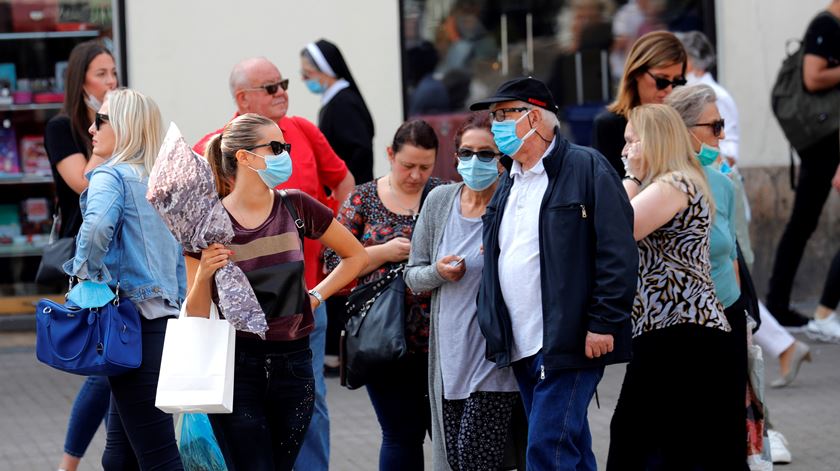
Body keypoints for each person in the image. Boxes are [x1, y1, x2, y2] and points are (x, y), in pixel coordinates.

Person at [193, 56, 355, 471]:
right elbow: (194, 314)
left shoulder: (297, 205)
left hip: (295, 357)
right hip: (238, 362)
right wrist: (206, 274)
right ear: (246, 158)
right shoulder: (208, 224)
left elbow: (355, 253)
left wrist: (317, 294)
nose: (285, 154)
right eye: (277, 148)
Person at [473, 77, 638, 471]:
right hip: (521, 340)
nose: (494, 124)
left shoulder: (587, 167)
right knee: (570, 445)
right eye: (493, 116)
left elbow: (617, 251)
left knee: (547, 449)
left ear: (534, 118)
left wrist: (604, 322)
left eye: (502, 115)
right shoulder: (508, 180)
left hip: (571, 339)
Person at [607, 103, 744, 470]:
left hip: (681, 331)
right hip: (667, 329)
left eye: (632, 141)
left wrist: (632, 178)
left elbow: (617, 231)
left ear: (654, 141)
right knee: (660, 443)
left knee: (635, 440)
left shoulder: (675, 183)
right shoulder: (670, 183)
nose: (625, 151)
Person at [63, 88, 185, 470]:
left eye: (101, 120)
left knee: (158, 456)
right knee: (119, 456)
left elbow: (97, 226)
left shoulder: (109, 177)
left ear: (125, 126)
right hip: (163, 322)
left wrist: (83, 276)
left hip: (132, 326)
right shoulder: (162, 180)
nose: (91, 127)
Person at [325, 119, 443, 470]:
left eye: (425, 166)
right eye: (408, 165)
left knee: (446, 435)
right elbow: (333, 263)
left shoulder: (444, 193)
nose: (416, 176)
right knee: (399, 434)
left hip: (442, 339)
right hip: (383, 339)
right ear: (390, 155)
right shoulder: (362, 198)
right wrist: (383, 252)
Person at [404, 113, 520, 471]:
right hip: (449, 361)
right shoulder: (439, 200)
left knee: (474, 462)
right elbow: (412, 276)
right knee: (455, 462)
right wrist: (437, 272)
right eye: (466, 153)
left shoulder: (514, 204)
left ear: (503, 161)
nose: (475, 162)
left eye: (486, 154)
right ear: (455, 158)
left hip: (494, 361)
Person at [44, 40, 117, 471]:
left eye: (113, 73)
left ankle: (109, 458)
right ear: (81, 81)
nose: (110, 82)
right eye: (101, 74)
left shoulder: (120, 122)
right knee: (106, 365)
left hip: (124, 255)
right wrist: (101, 131)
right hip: (87, 255)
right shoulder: (62, 127)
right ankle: (71, 464)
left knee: (115, 366)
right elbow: (83, 181)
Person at [766, 1, 840, 330]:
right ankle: (807, 309)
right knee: (801, 223)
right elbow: (813, 77)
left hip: (825, 138)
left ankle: (781, 304)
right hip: (824, 139)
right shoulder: (826, 26)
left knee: (802, 223)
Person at [592, 30, 687, 177]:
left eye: (677, 82)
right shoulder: (609, 125)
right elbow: (607, 190)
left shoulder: (683, 120)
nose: (669, 89)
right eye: (661, 80)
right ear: (637, 73)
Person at [301, 39, 375, 184]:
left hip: (352, 192)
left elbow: (359, 151)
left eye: (308, 73)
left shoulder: (344, 103)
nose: (303, 79)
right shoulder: (334, 100)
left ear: (326, 70)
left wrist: (344, 184)